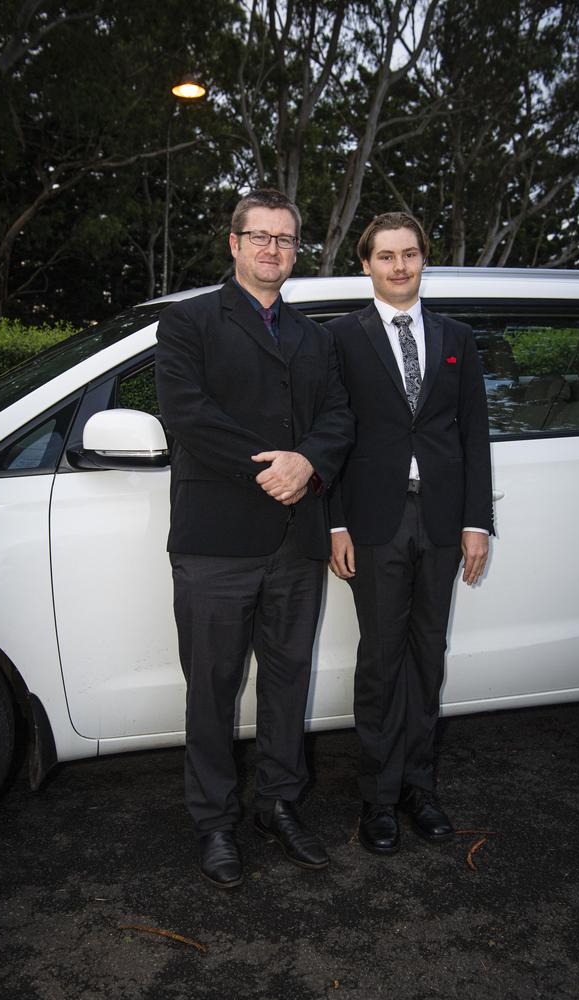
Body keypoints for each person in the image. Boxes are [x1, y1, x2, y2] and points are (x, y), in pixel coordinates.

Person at [155, 188, 354, 888]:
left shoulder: (315, 337)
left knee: (286, 682)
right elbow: (188, 415)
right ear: (234, 243)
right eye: (261, 236)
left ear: (297, 250)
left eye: (286, 239)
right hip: (216, 542)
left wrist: (312, 463)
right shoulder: (188, 324)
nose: (274, 249)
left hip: (296, 541)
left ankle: (278, 803)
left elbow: (337, 417)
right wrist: (272, 470)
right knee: (211, 690)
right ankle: (215, 822)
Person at [327, 212, 493, 855]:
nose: (399, 267)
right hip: (374, 521)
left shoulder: (456, 336)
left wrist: (476, 522)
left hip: (445, 522)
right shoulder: (341, 338)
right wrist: (336, 519)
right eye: (386, 256)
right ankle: (379, 798)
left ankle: (420, 790)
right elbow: (332, 435)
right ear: (366, 264)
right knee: (381, 660)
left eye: (411, 255)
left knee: (428, 659)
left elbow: (472, 435)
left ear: (425, 261)